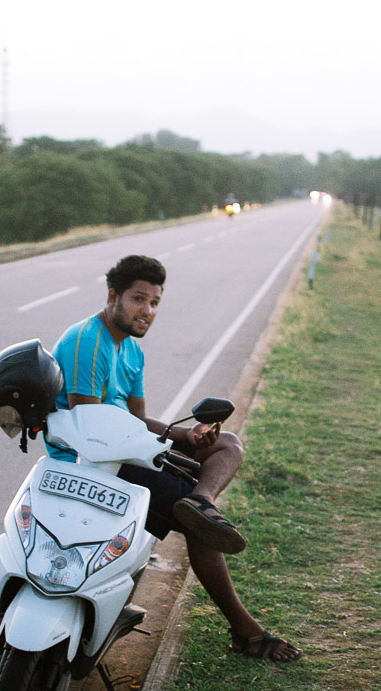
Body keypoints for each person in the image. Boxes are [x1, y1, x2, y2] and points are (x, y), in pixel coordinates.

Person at [47, 253, 301, 663]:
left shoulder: (130, 351)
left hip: (127, 446)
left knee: (227, 444)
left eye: (155, 303)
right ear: (113, 296)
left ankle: (200, 500)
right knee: (199, 530)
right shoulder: (88, 340)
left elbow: (136, 419)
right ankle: (245, 630)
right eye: (138, 299)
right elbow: (89, 425)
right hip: (96, 463)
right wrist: (165, 449)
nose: (147, 311)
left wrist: (187, 435)